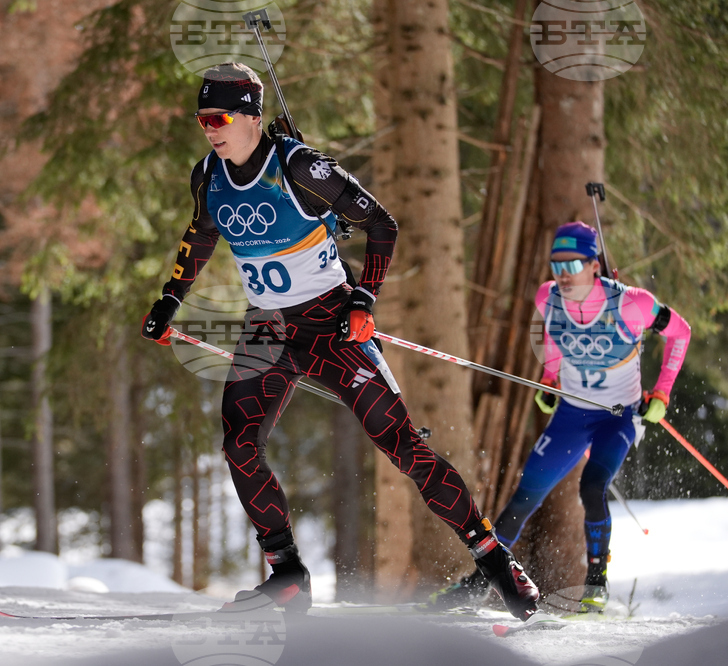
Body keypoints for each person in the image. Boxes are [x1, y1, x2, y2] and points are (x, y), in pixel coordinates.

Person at [141, 62, 540, 619]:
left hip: (330, 324)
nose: (209, 127)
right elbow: (200, 234)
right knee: (238, 442)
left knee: (403, 446)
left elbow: (382, 223)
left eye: (220, 116)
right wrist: (169, 300)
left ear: (253, 117)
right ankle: (287, 574)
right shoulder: (207, 175)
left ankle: (496, 560)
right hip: (268, 328)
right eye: (202, 117)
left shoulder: (299, 166)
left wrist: (364, 300)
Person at [431, 221, 691, 613]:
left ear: (594, 266)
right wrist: (551, 377)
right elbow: (552, 336)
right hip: (571, 414)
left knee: (592, 486)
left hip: (616, 417)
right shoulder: (546, 297)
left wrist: (663, 391)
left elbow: (681, 332)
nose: (563, 275)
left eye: (573, 266)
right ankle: (477, 582)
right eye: (557, 266)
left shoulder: (632, 304)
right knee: (522, 500)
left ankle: (596, 585)